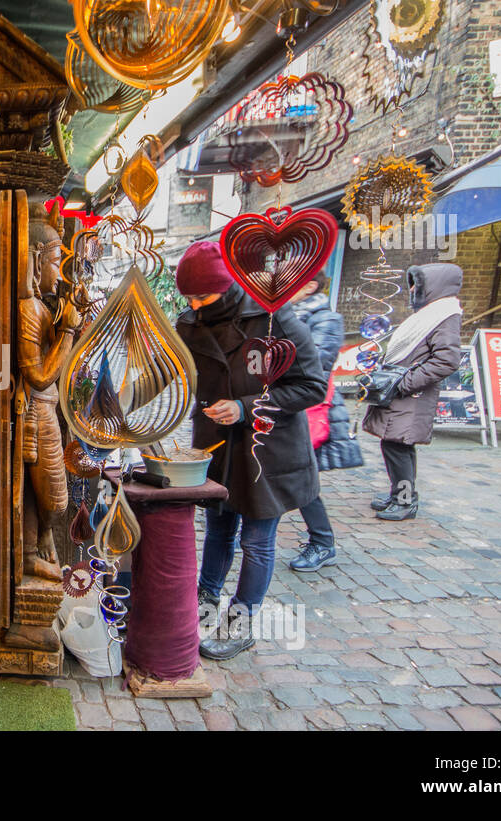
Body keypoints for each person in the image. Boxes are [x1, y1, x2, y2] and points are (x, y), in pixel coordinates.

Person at [174, 241, 327, 660]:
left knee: (257, 540)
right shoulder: (189, 324)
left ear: (226, 286)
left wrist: (245, 407)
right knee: (218, 531)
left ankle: (240, 623)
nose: (195, 303)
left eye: (203, 295)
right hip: (216, 445)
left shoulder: (273, 318)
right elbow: (169, 369)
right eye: (188, 296)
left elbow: (311, 385)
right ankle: (202, 606)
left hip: (267, 448)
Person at [363, 263, 463, 521]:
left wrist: (405, 383)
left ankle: (405, 501)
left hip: (411, 395)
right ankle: (400, 495)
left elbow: (447, 360)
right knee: (393, 445)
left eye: (417, 284)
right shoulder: (431, 314)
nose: (412, 289)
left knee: (399, 446)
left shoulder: (444, 316)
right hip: (404, 393)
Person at [287, 274, 364, 572]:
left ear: (309, 286)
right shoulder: (281, 314)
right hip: (281, 410)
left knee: (302, 480)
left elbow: (315, 365)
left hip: (308, 413)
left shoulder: (326, 319)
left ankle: (323, 543)